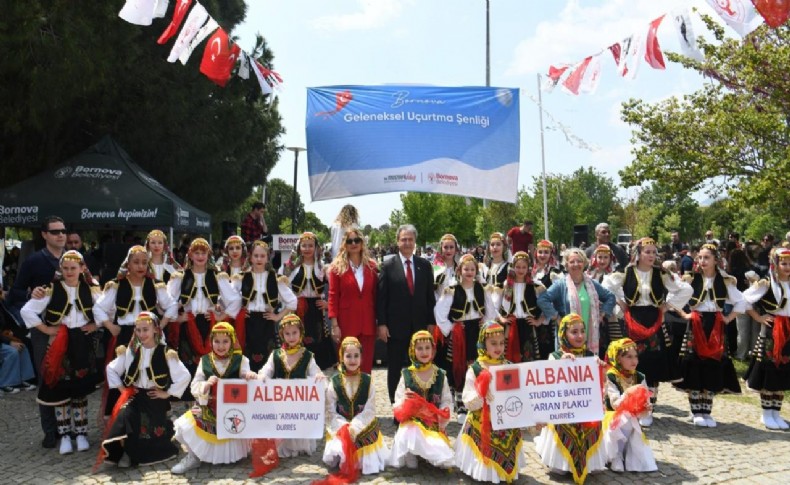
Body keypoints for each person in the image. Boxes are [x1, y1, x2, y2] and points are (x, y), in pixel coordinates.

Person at [602, 237, 692, 426]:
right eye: (648, 252)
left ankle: (647, 407)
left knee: (652, 363)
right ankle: (631, 404)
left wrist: (668, 306)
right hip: (633, 318)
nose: (652, 255)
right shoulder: (626, 272)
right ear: (638, 254)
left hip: (654, 318)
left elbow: (685, 289)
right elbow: (606, 287)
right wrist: (620, 303)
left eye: (654, 252)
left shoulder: (661, 274)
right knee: (631, 360)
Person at [21, 250, 101, 454]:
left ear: (82, 268)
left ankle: (81, 433)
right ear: (60, 269)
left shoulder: (91, 290)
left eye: (73, 268)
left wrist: (95, 325)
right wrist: (47, 329)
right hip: (59, 345)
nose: (69, 272)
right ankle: (65, 434)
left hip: (82, 344)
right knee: (60, 392)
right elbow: (26, 311)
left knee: (80, 392)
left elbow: (107, 310)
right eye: (65, 268)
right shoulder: (51, 290)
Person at [98, 312, 191, 468]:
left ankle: (153, 443)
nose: (141, 334)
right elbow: (111, 369)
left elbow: (184, 376)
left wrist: (166, 393)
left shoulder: (165, 352)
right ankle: (126, 453)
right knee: (125, 417)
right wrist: (123, 391)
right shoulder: (132, 351)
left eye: (145, 329)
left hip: (155, 400)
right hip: (136, 396)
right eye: (138, 330)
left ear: (155, 329)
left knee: (150, 432)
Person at [94, 245, 178, 415]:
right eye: (136, 262)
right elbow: (98, 308)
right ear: (128, 264)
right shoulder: (116, 285)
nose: (141, 266)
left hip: (151, 337)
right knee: (127, 370)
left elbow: (171, 305)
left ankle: (154, 413)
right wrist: (110, 326)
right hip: (126, 334)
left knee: (152, 369)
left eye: (144, 263)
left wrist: (160, 325)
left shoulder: (155, 285)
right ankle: (125, 414)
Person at [6, 216, 66, 448]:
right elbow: (14, 294)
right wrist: (31, 294)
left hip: (69, 328)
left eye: (62, 231)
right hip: (43, 329)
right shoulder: (33, 261)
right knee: (47, 377)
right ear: (44, 235)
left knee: (67, 377)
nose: (60, 235)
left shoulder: (73, 259)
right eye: (55, 232)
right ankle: (50, 431)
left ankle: (67, 427)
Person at [673, 244, 746, 427]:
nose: (702, 261)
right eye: (700, 258)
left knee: (712, 365)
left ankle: (707, 410)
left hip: (716, 324)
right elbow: (673, 297)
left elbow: (741, 302)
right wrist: (684, 314)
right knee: (694, 365)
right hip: (696, 323)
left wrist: (728, 318)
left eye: (706, 258)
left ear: (716, 260)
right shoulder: (691, 279)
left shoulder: (725, 280)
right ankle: (696, 410)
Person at [170, 322, 258, 474]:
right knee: (185, 425)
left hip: (233, 410)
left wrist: (248, 376)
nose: (221, 346)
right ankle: (194, 457)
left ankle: (232, 454)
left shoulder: (241, 360)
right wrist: (205, 385)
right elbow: (195, 384)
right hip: (210, 407)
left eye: (225, 341)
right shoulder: (205, 361)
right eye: (216, 341)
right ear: (211, 342)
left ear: (232, 341)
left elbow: (245, 377)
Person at [533, 314, 607, 483]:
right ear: (563, 334)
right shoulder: (555, 356)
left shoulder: (591, 356)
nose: (580, 336)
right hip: (563, 409)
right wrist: (561, 365)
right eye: (574, 332)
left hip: (585, 408)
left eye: (582, 331)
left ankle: (587, 461)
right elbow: (547, 382)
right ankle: (561, 462)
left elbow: (600, 384)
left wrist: (600, 370)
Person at [455, 321, 526, 483]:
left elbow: (519, 395)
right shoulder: (475, 369)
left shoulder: (509, 366)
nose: (498, 347)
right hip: (482, 420)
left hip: (505, 419)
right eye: (493, 343)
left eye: (501, 343)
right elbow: (467, 399)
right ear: (483, 343)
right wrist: (481, 394)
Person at [376, 224, 436, 406]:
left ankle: (419, 405)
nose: (407, 243)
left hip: (419, 327)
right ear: (398, 242)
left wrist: (431, 323)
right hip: (395, 328)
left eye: (410, 239)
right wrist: (382, 324)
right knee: (394, 368)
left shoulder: (425, 266)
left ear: (415, 242)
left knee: (419, 367)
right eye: (404, 239)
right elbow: (381, 298)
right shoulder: (387, 266)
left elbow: (429, 297)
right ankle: (397, 406)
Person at [434, 254, 497, 421]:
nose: (469, 272)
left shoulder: (482, 289)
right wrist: (451, 328)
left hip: (476, 330)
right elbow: (439, 312)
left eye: (472, 269)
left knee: (477, 364)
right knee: (458, 366)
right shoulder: (451, 290)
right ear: (459, 271)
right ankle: (461, 405)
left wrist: (486, 323)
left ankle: (480, 400)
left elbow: (490, 310)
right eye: (466, 269)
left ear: (476, 270)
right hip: (459, 333)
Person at [168, 238, 241, 376]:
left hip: (209, 323)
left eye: (203, 253)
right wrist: (177, 318)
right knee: (188, 361)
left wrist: (220, 316)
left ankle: (210, 391)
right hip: (189, 322)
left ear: (209, 255)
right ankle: (189, 393)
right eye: (197, 253)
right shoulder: (182, 277)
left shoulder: (216, 276)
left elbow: (235, 299)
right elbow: (169, 301)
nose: (200, 256)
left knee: (211, 361)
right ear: (190, 255)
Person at [257, 314, 326, 457]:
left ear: (301, 333)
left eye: (294, 333)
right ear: (282, 335)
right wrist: (262, 377)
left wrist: (318, 377)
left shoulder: (307, 356)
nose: (291, 337)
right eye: (287, 334)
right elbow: (266, 370)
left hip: (299, 405)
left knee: (298, 422)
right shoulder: (276, 354)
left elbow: (315, 373)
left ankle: (300, 445)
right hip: (280, 404)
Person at [322, 337, 390, 479]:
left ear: (361, 357)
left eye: (356, 356)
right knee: (341, 445)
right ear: (342, 357)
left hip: (363, 424)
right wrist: (344, 427)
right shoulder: (334, 382)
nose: (352, 360)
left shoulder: (368, 380)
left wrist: (356, 426)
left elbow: (370, 409)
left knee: (366, 451)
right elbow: (330, 410)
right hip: (341, 425)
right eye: (348, 356)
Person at [390, 330, 453, 469]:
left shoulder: (441, 375)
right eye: (419, 348)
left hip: (433, 422)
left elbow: (447, 400)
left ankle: (425, 452)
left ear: (433, 350)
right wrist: (404, 402)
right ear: (413, 350)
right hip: (412, 421)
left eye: (427, 348)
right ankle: (411, 451)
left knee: (442, 461)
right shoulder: (406, 374)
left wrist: (443, 413)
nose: (424, 352)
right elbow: (398, 400)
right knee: (410, 431)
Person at [537, 248, 616, 358]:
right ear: (566, 265)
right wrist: (556, 317)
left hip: (588, 335)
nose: (576, 264)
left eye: (579, 261)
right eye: (572, 262)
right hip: (567, 338)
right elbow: (542, 299)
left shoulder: (591, 284)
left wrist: (602, 314)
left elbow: (610, 297)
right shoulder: (561, 284)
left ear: (584, 264)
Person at [743, 248, 790, 430]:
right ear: (775, 264)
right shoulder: (766, 284)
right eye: (783, 263)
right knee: (770, 370)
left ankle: (776, 413)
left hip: (789, 332)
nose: (787, 267)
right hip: (772, 330)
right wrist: (758, 317)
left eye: (789, 263)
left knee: (784, 371)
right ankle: (766, 413)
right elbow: (744, 300)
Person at [233, 240, 297, 373]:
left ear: (268, 257)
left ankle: (266, 389)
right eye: (256, 256)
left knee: (268, 360)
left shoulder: (275, 278)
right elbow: (231, 298)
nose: (259, 259)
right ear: (250, 257)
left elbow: (292, 301)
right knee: (247, 358)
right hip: (248, 321)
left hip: (267, 321)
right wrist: (239, 312)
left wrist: (278, 316)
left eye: (262, 256)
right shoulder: (242, 277)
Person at [602, 338, 657, 473]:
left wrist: (646, 408)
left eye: (636, 357)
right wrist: (629, 393)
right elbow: (615, 405)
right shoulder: (611, 375)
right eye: (629, 357)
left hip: (632, 418)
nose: (634, 361)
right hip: (612, 418)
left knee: (631, 419)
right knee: (625, 417)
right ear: (618, 359)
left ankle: (627, 454)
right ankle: (616, 455)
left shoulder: (639, 376)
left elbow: (644, 401)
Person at [280, 232, 334, 370]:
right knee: (298, 335)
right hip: (299, 307)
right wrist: (290, 302)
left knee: (318, 337)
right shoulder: (292, 267)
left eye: (311, 246)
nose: (307, 249)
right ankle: (298, 366)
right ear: (299, 248)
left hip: (317, 307)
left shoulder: (323, 267)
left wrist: (328, 304)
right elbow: (281, 284)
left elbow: (335, 289)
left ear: (316, 248)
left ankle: (318, 369)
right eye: (304, 246)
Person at [328, 228, 378, 374]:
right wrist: (334, 324)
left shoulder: (372, 266)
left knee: (366, 367)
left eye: (357, 240)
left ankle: (364, 395)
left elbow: (376, 295)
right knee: (347, 366)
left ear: (362, 243)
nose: (354, 243)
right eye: (350, 241)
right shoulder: (336, 268)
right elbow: (332, 296)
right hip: (346, 324)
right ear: (344, 244)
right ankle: (346, 395)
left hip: (368, 324)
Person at [498, 251, 546, 363]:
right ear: (513, 267)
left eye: (524, 267)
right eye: (518, 267)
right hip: (511, 326)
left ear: (528, 268)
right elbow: (495, 305)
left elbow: (547, 305)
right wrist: (501, 318)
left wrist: (539, 321)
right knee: (509, 358)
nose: (520, 270)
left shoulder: (535, 286)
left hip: (528, 326)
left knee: (528, 358)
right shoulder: (507, 285)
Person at [433, 234, 460, 300]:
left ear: (455, 249)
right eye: (445, 247)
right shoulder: (435, 267)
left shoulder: (460, 267)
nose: (448, 250)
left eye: (451, 247)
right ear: (441, 248)